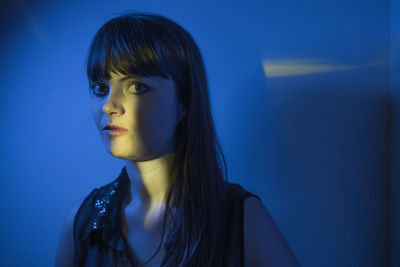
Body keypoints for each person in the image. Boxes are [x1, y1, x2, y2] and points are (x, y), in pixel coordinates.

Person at [55, 12, 300, 267]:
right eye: (100, 88)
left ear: (184, 102)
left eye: (137, 87)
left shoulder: (242, 217)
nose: (109, 106)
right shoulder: (81, 221)